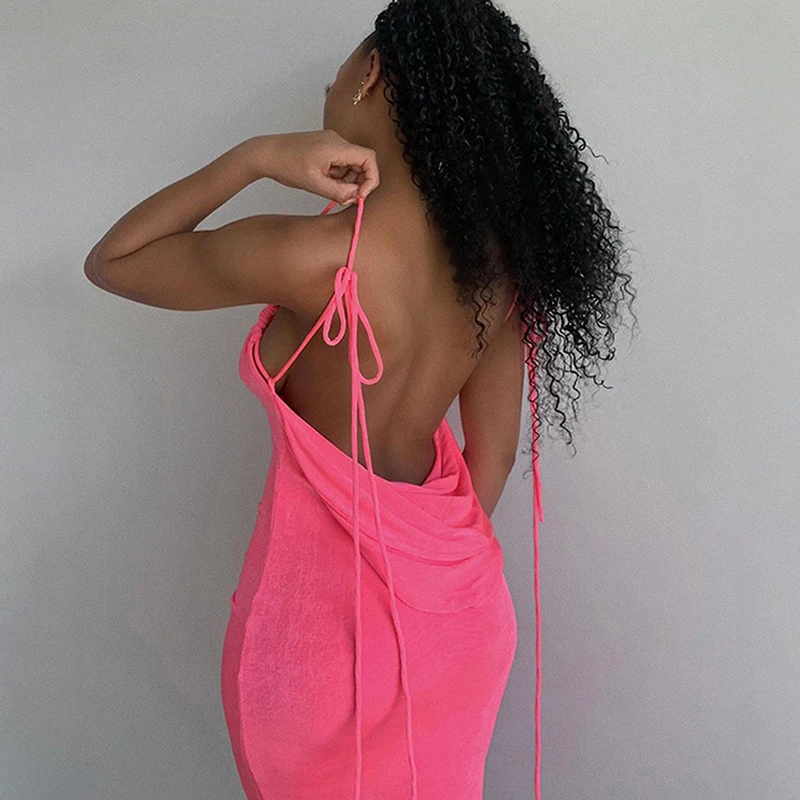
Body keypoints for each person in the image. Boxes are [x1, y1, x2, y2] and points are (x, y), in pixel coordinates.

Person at [84, 1, 634, 798]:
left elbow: (116, 261)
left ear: (371, 74)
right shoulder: (497, 276)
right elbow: (494, 456)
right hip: (459, 622)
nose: (331, 87)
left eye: (339, 72)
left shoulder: (314, 255)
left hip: (317, 637)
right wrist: (418, 586)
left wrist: (255, 157)